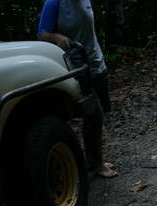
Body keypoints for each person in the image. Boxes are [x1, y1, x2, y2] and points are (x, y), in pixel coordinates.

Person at [37, 0, 117, 178]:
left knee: (95, 117)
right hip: (75, 67)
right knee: (93, 113)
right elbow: (42, 34)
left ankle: (93, 159)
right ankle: (97, 164)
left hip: (96, 63)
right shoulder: (54, 3)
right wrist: (57, 38)